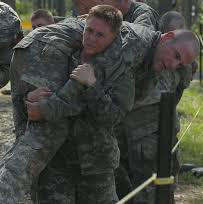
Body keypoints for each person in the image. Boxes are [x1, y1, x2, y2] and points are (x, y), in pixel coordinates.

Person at [0, 5, 199, 203]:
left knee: (63, 130)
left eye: (180, 65)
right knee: (46, 133)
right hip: (45, 49)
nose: (174, 65)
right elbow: (84, 76)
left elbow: (107, 106)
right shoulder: (132, 45)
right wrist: (46, 108)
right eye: (176, 55)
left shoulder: (151, 64)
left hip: (45, 51)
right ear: (167, 37)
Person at [115, 11, 197, 204]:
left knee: (156, 189)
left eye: (179, 61)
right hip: (124, 134)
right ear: (164, 34)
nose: (173, 63)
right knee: (125, 188)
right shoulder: (146, 53)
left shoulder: (181, 66)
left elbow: (174, 94)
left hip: (155, 136)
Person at [0, 2, 23, 94]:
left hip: (8, 42)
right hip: (10, 42)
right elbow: (20, 34)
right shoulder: (7, 8)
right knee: (6, 69)